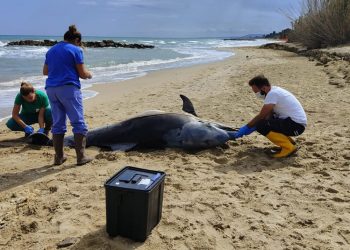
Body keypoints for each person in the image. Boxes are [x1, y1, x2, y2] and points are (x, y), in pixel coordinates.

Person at [43, 25, 93, 166]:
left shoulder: (51, 50)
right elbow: (83, 74)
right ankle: (81, 157)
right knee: (78, 122)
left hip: (51, 89)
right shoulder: (76, 50)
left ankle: (59, 157)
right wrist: (89, 74)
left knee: (58, 123)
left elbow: (45, 71)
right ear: (77, 40)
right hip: (68, 89)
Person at [233, 75, 307, 158]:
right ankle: (290, 143)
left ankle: (288, 147)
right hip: (295, 123)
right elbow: (269, 114)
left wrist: (247, 127)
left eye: (256, 92)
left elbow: (261, 116)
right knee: (265, 122)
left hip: (296, 126)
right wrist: (253, 126)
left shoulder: (272, 94)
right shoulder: (274, 90)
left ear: (263, 88)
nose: (256, 94)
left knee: (261, 125)